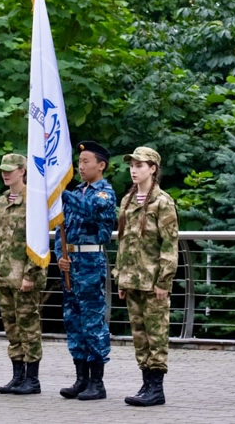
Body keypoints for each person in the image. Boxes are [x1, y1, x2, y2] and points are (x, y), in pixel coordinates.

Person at [114, 147, 179, 407]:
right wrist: (120, 276)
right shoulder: (127, 201)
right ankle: (145, 383)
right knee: (139, 335)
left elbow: (169, 245)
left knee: (156, 333)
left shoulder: (162, 202)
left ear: (152, 168)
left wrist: (164, 281)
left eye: (139, 165)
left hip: (153, 281)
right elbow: (123, 243)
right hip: (132, 280)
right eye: (132, 165)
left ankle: (156, 387)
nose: (133, 169)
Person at [55, 140, 117, 400]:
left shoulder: (104, 192)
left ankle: (97, 381)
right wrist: (60, 255)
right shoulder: (77, 191)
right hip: (72, 263)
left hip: (91, 263)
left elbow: (91, 212)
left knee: (92, 322)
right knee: (74, 321)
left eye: (86, 162)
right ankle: (81, 378)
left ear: (101, 166)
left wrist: (60, 192)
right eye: (79, 162)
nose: (81, 167)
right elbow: (62, 228)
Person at [0, 153, 46, 395]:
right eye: (3, 169)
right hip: (3, 275)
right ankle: (17, 376)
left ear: (23, 171)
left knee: (28, 326)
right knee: (11, 328)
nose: (5, 173)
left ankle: (32, 379)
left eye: (10, 169)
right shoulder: (2, 202)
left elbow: (38, 241)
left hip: (23, 275)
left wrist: (30, 274)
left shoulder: (34, 199)